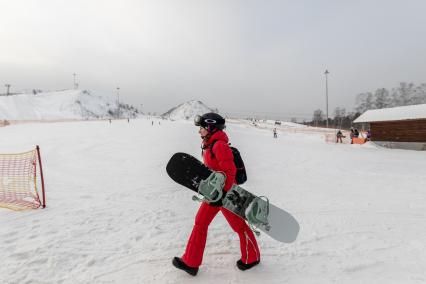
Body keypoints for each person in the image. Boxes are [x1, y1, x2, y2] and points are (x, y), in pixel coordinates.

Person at [173, 113, 261, 276]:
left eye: (202, 128)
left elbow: (230, 171)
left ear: (211, 128)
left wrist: (224, 193)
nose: (199, 131)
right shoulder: (209, 144)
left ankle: (252, 258)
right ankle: (191, 262)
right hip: (215, 193)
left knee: (238, 226)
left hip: (224, 194)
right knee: (201, 223)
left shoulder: (219, 146)